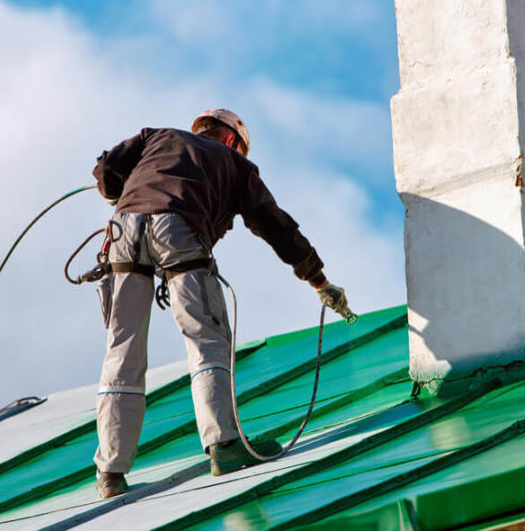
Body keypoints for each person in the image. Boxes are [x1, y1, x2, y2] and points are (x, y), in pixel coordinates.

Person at [92, 108, 352, 498]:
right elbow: (276, 225)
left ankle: (110, 474)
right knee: (206, 339)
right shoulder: (236, 165)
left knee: (121, 351)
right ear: (233, 141)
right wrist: (318, 279)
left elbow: (107, 170)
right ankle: (223, 445)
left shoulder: (157, 136)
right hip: (178, 227)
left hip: (124, 228)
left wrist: (122, 191)